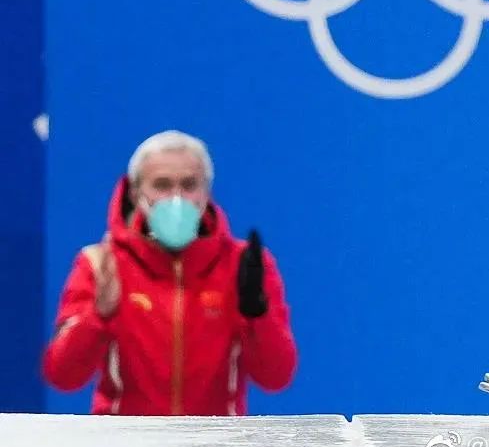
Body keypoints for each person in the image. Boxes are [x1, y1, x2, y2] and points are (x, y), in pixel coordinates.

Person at [42, 130, 298, 414]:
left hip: (215, 439)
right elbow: (62, 376)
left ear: (207, 192)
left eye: (189, 185)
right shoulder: (101, 263)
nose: (177, 198)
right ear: (136, 193)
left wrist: (256, 315)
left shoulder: (243, 265)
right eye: (161, 185)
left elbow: (276, 377)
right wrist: (97, 316)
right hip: (123, 438)